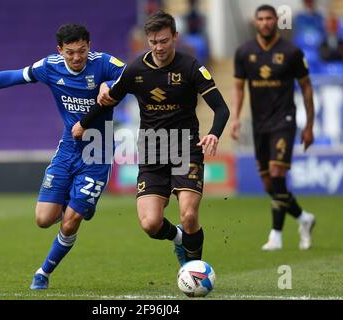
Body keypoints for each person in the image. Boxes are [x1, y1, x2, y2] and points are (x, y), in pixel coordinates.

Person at [0, 24, 126, 289]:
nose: (76, 58)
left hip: (97, 152)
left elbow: (131, 76)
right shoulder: (50, 66)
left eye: (82, 51)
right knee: (43, 220)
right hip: (67, 150)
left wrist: (109, 84)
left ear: (89, 46)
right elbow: (12, 77)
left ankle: (43, 272)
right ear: (59, 50)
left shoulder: (104, 63)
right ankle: (79, 203)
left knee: (71, 220)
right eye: (70, 52)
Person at [72, 11, 230, 266]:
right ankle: (180, 239)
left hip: (184, 147)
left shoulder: (191, 67)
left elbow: (222, 108)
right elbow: (108, 99)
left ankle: (194, 270)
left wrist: (214, 133)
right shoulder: (135, 69)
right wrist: (83, 123)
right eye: (154, 42)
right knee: (150, 223)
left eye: (164, 41)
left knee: (189, 215)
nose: (159, 47)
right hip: (152, 152)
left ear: (175, 37)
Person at [230, 5, 316, 251]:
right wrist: (235, 118)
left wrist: (309, 126)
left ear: (277, 20)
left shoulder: (291, 52)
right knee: (270, 185)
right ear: (255, 22)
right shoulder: (244, 52)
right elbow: (237, 88)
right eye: (261, 19)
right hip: (259, 125)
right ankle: (303, 218)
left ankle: (276, 235)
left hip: (284, 121)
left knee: (278, 175)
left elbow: (307, 88)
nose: (265, 22)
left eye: (269, 18)